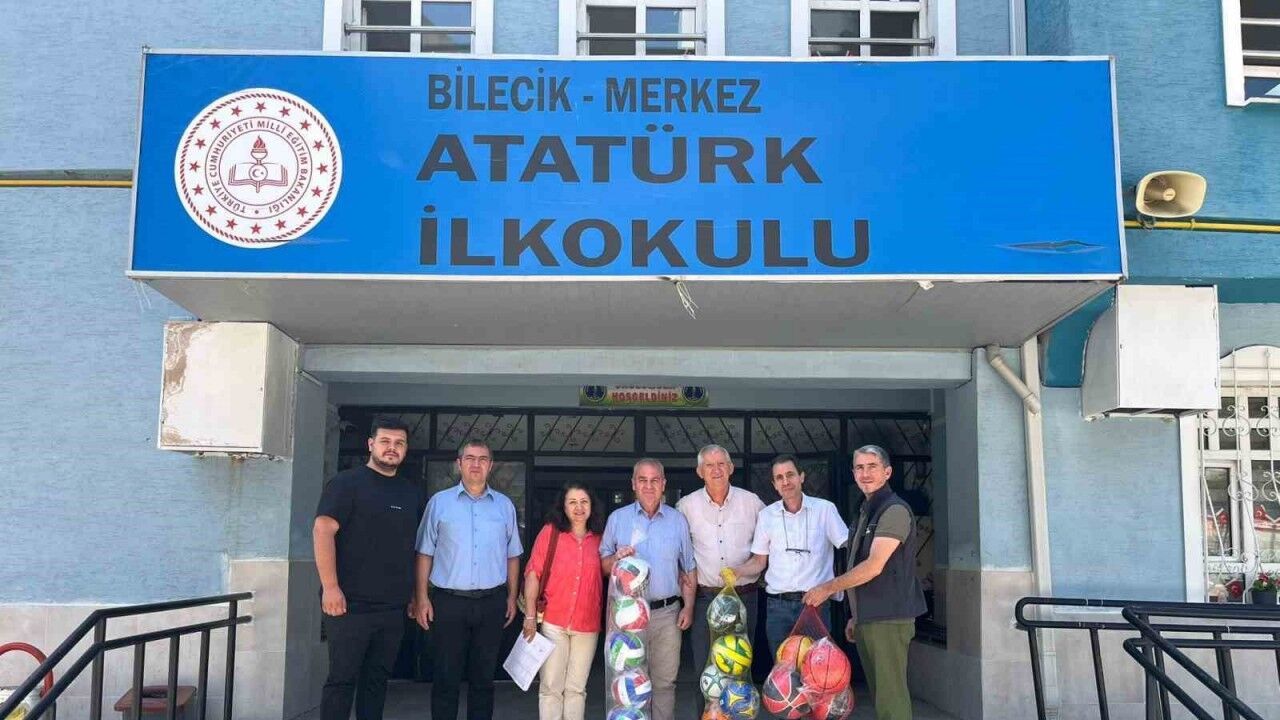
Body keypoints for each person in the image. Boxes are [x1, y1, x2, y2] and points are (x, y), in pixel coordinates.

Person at [313, 416, 426, 720]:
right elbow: (323, 530)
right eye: (385, 441)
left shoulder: (410, 492)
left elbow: (414, 548)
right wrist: (330, 587)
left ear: (405, 449)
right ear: (371, 444)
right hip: (349, 605)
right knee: (342, 681)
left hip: (392, 608)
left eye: (399, 443)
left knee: (376, 683)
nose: (392, 448)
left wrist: (415, 595)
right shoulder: (346, 484)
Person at [803, 445, 927, 720]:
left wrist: (827, 588)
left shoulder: (893, 510)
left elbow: (873, 566)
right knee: (881, 695)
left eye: (872, 466)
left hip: (889, 619)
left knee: (891, 700)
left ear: (887, 472)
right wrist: (856, 616)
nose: (865, 473)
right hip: (870, 618)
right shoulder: (866, 508)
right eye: (859, 467)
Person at [414, 440, 523, 720]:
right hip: (448, 603)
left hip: (491, 602)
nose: (476, 464)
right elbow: (425, 552)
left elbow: (512, 555)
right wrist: (422, 597)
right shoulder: (439, 503)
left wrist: (512, 596)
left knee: (484, 679)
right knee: (445, 676)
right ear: (458, 463)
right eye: (470, 458)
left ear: (491, 465)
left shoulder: (504, 506)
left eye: (482, 459)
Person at [600, 458, 697, 720]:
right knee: (627, 681)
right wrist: (616, 558)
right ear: (633, 484)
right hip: (626, 616)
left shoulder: (677, 520)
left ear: (664, 484)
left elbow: (688, 567)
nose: (649, 486)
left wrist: (688, 606)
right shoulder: (618, 519)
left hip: (666, 614)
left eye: (655, 480)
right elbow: (603, 565)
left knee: (664, 683)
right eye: (642, 480)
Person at [730, 454, 848, 655]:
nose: (785, 481)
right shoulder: (767, 516)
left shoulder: (825, 510)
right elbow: (759, 561)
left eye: (790, 475)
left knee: (816, 667)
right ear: (774, 484)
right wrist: (737, 571)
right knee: (782, 668)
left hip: (815, 605)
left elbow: (848, 546)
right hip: (778, 607)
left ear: (801, 476)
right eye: (779, 477)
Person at [675, 443, 764, 679]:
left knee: (740, 671)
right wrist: (687, 601)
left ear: (731, 468)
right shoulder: (686, 507)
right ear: (699, 471)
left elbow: (770, 544)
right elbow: (679, 555)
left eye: (721, 464)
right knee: (706, 672)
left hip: (744, 597)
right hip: (706, 599)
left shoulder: (752, 502)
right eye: (709, 465)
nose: (716, 470)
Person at [520, 483, 605, 720]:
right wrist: (529, 616)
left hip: (587, 624)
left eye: (584, 502)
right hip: (553, 621)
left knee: (576, 689)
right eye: (572, 502)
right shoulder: (551, 532)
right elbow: (533, 574)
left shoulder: (601, 538)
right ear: (563, 507)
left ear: (592, 506)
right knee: (551, 687)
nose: (579, 508)